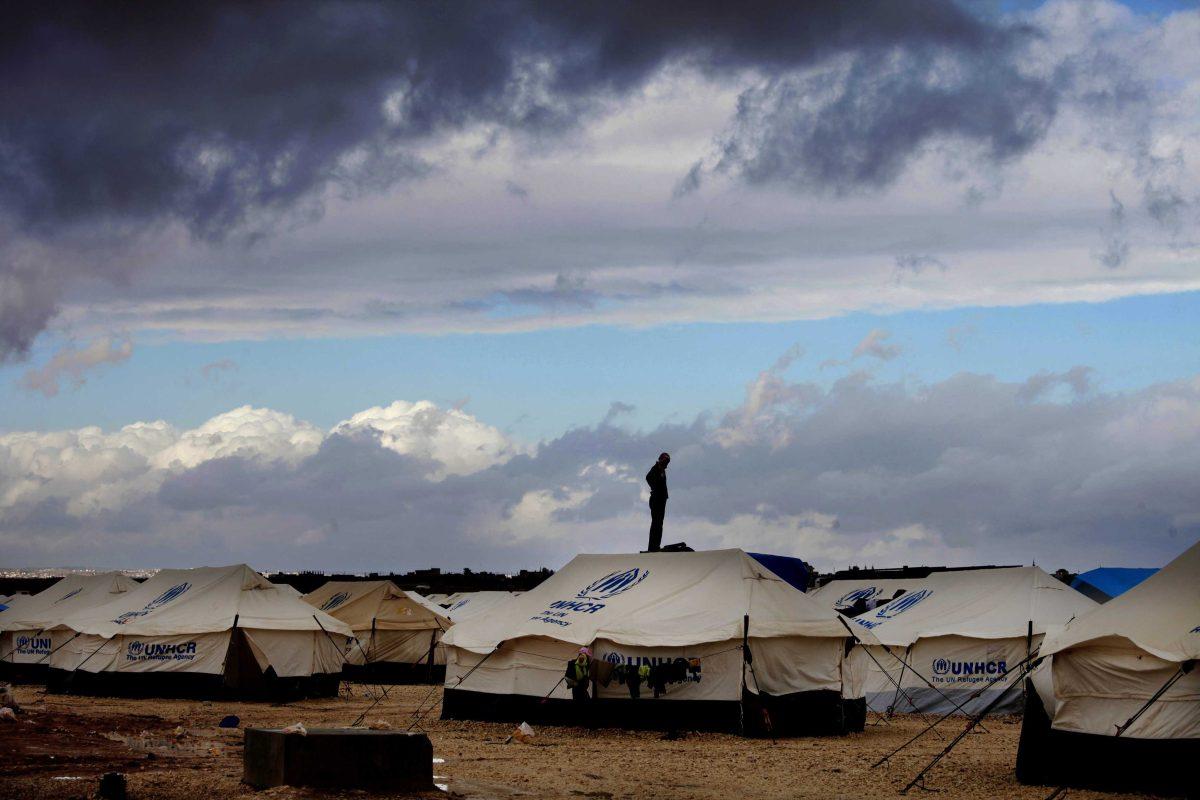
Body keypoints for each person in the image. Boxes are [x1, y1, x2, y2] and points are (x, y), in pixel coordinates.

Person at [646, 452, 670, 552]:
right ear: (660, 460)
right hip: (656, 499)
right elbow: (648, 478)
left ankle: (656, 545)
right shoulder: (655, 469)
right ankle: (652, 547)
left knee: (659, 523)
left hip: (662, 499)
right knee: (656, 523)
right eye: (665, 461)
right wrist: (655, 488)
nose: (666, 463)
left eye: (667, 462)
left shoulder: (662, 470)